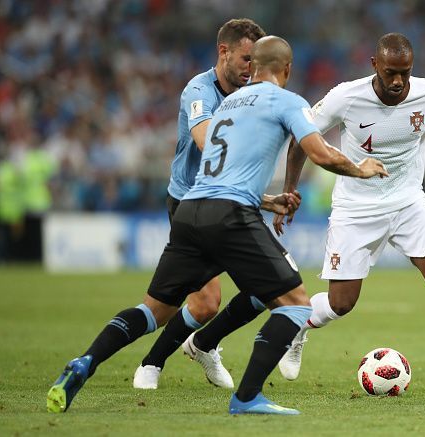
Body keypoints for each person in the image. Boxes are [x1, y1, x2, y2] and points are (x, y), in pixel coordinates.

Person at [46, 35, 388, 415]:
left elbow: (224, 169)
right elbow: (319, 152)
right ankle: (246, 398)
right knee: (294, 305)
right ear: (286, 70)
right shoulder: (288, 101)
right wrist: (360, 169)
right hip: (230, 216)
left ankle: (85, 361)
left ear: (253, 67)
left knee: (152, 312)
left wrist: (269, 199)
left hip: (191, 211)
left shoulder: (227, 107)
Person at [273, 33, 425, 398]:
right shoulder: (345, 97)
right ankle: (298, 325)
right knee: (340, 304)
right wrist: (290, 189)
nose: (398, 81)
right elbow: (302, 139)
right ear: (374, 66)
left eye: (405, 73)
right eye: (390, 73)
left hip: (407, 202)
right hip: (355, 209)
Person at [132, 18, 268, 391]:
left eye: (256, 62)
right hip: (192, 203)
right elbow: (206, 139)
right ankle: (153, 362)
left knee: (268, 288)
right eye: (245, 59)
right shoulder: (199, 90)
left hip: (233, 201)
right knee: (206, 302)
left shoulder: (252, 91)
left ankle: (204, 344)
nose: (250, 68)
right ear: (223, 52)